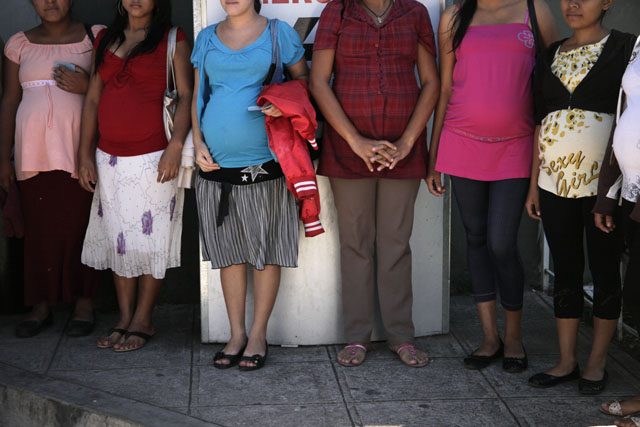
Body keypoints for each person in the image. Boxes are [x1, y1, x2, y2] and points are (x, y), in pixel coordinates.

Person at [427, 0, 556, 373]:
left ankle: (514, 335)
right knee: (476, 237)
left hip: (518, 146)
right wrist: (435, 155)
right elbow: (446, 88)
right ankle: (489, 337)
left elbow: (553, 83)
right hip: (461, 141)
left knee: (502, 241)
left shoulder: (535, 11)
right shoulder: (455, 16)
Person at [310, 0, 440, 367]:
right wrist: (356, 141)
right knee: (355, 244)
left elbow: (431, 82)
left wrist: (408, 142)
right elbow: (319, 82)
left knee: (396, 243)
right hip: (348, 148)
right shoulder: (338, 11)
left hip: (404, 147)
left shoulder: (413, 12)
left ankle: (401, 335)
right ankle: (356, 337)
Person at [526, 0, 636, 394]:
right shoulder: (550, 55)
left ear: (607, 2)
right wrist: (533, 184)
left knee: (605, 271)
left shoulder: (627, 48)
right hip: (555, 184)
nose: (572, 4)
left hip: (605, 189)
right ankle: (566, 361)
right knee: (566, 270)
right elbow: (540, 122)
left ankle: (596, 363)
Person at [191, 0, 308, 370]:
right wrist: (197, 142)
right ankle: (236, 333)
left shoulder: (278, 33)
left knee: (265, 249)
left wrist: (282, 102)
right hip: (215, 168)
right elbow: (198, 97)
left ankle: (258, 335)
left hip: (267, 164)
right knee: (230, 253)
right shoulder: (206, 38)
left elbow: (304, 85)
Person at [77, 0, 192, 352]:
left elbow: (186, 95)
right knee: (119, 239)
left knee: (150, 240)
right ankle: (124, 317)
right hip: (109, 156)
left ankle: (144, 319)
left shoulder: (173, 38)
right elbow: (93, 99)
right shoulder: (106, 39)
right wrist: (84, 153)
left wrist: (175, 147)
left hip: (155, 156)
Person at [0, 0, 103, 338]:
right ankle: (40, 304)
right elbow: (10, 101)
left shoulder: (94, 38)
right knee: (38, 231)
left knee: (81, 227)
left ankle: (84, 301)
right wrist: (4, 157)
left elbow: (116, 91)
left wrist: (87, 86)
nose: (50, 2)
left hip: (79, 151)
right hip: (32, 153)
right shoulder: (19, 44)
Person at [595, 30, 640, 420]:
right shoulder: (639, 44)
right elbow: (624, 116)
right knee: (638, 297)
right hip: (633, 193)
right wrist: (609, 193)